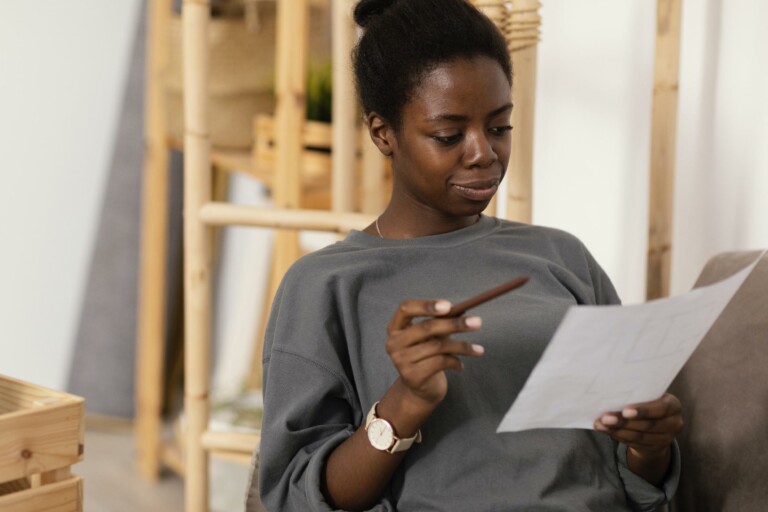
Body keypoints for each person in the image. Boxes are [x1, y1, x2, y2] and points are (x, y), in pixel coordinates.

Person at [254, 0, 683, 510]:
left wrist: (648, 446)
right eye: (448, 135)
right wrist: (404, 404)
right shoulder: (325, 284)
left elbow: (637, 480)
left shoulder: (563, 257)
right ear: (382, 133)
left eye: (499, 127)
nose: (483, 152)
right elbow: (297, 497)